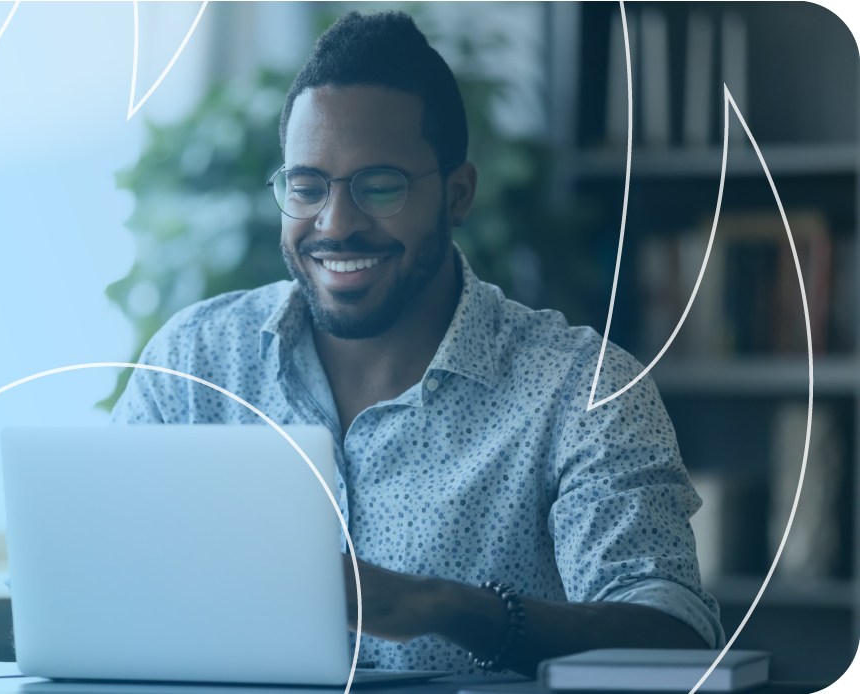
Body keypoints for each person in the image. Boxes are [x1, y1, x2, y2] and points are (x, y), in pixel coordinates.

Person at [111, 10, 724, 676]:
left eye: (380, 186)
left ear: (457, 195)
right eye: (306, 186)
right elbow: (99, 575)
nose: (335, 224)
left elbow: (673, 638)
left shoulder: (581, 389)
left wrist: (441, 606)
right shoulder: (194, 362)